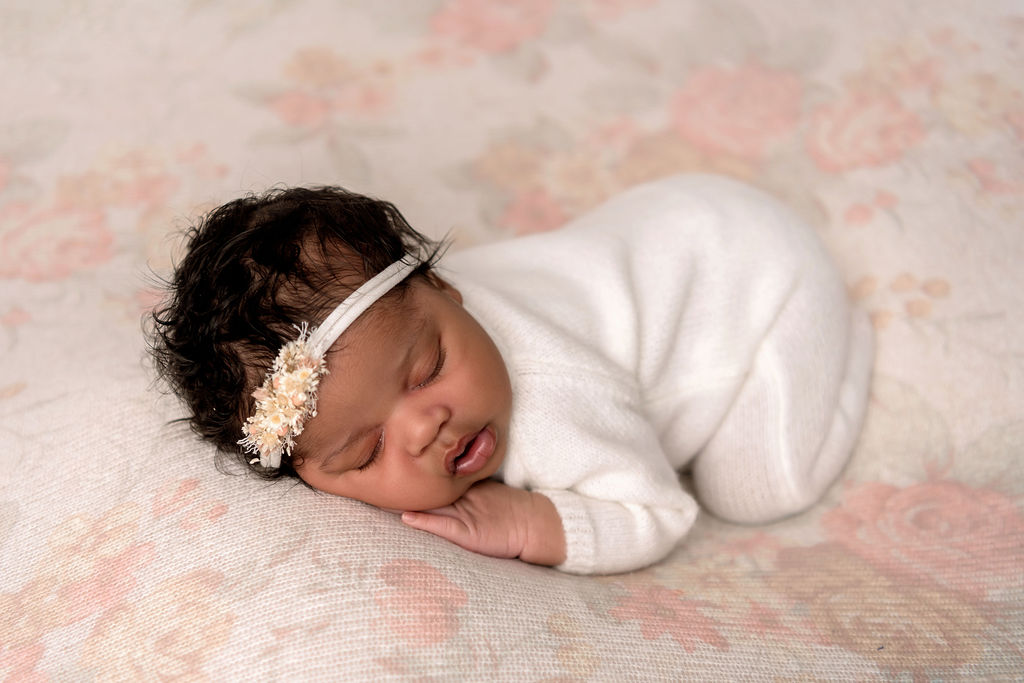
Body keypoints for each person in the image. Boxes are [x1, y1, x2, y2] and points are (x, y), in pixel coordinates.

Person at [149, 174, 873, 575]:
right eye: (366, 452)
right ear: (309, 474)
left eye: (427, 369)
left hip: (759, 277)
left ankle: (845, 327)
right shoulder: (409, 319)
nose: (426, 425)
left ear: (447, 293)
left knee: (755, 490)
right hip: (667, 217)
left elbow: (661, 511)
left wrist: (537, 520)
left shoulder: (553, 397)